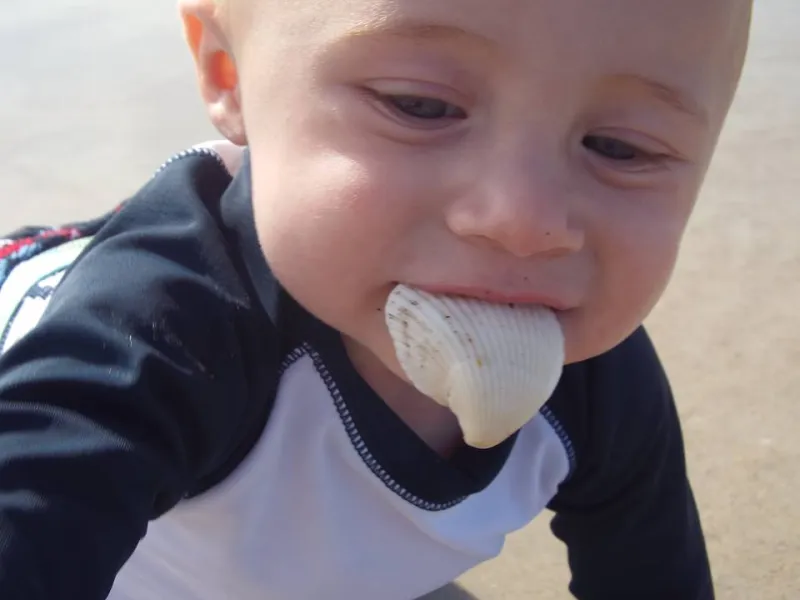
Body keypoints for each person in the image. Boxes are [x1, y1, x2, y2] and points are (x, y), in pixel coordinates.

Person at [0, 0, 752, 598]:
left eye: (621, 148)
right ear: (228, 74)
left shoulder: (597, 375)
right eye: (419, 106)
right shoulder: (158, 331)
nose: (524, 222)